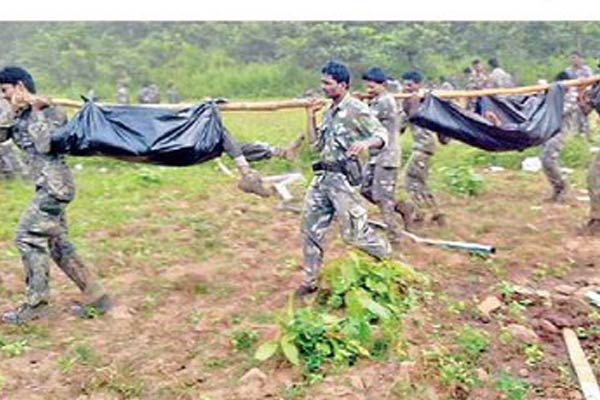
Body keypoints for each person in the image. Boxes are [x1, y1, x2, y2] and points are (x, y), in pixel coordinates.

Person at [0, 66, 111, 324]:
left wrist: (37, 111)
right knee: (56, 243)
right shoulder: (17, 113)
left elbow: (45, 144)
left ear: (20, 86)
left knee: (27, 237)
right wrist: (15, 110)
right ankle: (97, 296)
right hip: (46, 186)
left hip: (56, 187)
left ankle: (37, 306)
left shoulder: (52, 111)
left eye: (5, 91)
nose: (3, 97)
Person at [298, 60, 391, 297]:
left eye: (328, 83)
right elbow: (315, 144)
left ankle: (387, 259)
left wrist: (365, 143)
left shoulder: (356, 109)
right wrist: (310, 116)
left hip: (343, 181)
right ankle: (310, 280)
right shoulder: (330, 111)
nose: (324, 87)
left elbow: (382, 134)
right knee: (310, 229)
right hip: (322, 178)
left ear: (343, 84)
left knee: (355, 233)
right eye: (323, 82)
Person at [360, 67, 404, 242]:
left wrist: (356, 103)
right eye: (367, 87)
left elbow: (364, 122)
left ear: (383, 85)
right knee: (365, 188)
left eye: (372, 87)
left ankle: (395, 236)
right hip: (375, 156)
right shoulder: (377, 100)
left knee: (383, 197)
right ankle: (402, 208)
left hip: (387, 156)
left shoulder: (385, 102)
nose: (369, 90)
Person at [400, 70, 446, 228]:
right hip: (421, 146)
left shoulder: (425, 103)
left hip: (424, 146)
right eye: (404, 85)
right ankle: (437, 213)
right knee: (420, 182)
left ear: (418, 85)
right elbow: (400, 127)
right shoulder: (409, 102)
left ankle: (420, 213)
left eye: (410, 85)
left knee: (410, 179)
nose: (406, 88)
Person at [540, 71, 579, 203]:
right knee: (546, 160)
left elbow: (561, 110)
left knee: (548, 158)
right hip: (552, 131)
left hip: (563, 131)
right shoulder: (557, 94)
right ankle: (557, 189)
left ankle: (563, 187)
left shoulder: (572, 95)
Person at [565, 50, 593, 140]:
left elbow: (591, 82)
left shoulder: (586, 70)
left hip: (585, 95)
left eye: (575, 58)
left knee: (584, 116)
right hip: (572, 96)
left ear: (581, 59)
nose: (573, 60)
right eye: (571, 58)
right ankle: (576, 135)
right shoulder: (568, 71)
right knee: (573, 116)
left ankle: (587, 135)